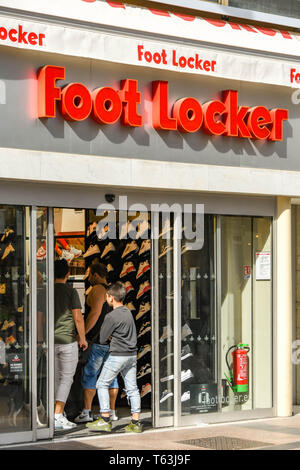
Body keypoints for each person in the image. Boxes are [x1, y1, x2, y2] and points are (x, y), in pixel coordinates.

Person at [86, 281, 142, 433]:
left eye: (107, 296)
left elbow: (103, 338)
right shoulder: (128, 312)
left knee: (102, 384)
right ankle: (136, 422)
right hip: (131, 355)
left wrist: (112, 336)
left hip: (117, 355)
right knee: (132, 388)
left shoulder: (111, 316)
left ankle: (105, 419)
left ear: (110, 298)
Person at [74, 262, 119, 423]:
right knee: (112, 377)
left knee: (90, 375)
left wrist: (82, 334)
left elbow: (94, 314)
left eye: (89, 274)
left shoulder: (98, 290)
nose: (88, 278)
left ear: (95, 274)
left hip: (97, 341)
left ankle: (86, 412)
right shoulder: (113, 291)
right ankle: (112, 412)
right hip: (111, 341)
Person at [54, 259, 88, 430]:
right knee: (66, 379)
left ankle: (55, 413)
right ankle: (58, 414)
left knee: (53, 379)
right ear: (67, 274)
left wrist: (39, 341)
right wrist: (82, 338)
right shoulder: (70, 291)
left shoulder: (45, 291)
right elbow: (77, 317)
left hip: (49, 341)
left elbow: (38, 318)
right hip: (67, 340)